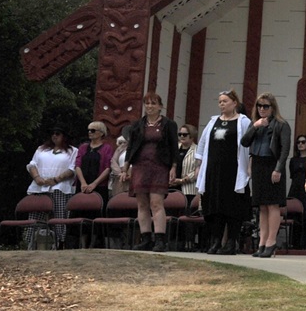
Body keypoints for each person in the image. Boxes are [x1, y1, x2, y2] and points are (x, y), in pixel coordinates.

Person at [121, 93, 181, 252]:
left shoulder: (169, 124)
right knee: (142, 203)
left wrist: (174, 167)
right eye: (147, 104)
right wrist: (125, 168)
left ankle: (160, 239)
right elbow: (131, 148)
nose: (150, 107)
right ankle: (145, 237)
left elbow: (174, 147)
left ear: (160, 106)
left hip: (159, 166)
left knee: (156, 203)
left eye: (153, 104)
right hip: (140, 166)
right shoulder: (137, 125)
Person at [194, 90, 251, 254]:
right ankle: (216, 241)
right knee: (215, 207)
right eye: (220, 102)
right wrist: (198, 166)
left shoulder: (243, 122)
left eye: (225, 101)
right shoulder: (213, 122)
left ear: (234, 103)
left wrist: (249, 167)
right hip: (213, 171)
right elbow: (203, 144)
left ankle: (232, 242)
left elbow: (249, 144)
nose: (222, 104)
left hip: (233, 171)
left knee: (232, 207)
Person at [241, 92, 291, 258]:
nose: (262, 109)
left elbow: (284, 150)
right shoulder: (255, 124)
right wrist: (255, 126)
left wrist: (278, 169)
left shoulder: (281, 125)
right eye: (259, 106)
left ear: (273, 107)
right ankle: (262, 242)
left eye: (266, 106)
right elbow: (244, 142)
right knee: (261, 205)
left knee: (272, 204)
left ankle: (271, 242)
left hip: (273, 165)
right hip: (258, 165)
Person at [26, 128, 76, 244]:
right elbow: (32, 164)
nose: (54, 136)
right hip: (39, 187)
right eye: (52, 133)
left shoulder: (72, 151)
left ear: (64, 136)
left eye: (58, 134)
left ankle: (60, 242)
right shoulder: (42, 149)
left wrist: (56, 179)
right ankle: (30, 243)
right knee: (35, 216)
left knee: (59, 217)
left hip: (60, 188)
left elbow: (72, 169)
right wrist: (37, 177)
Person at [74, 121, 114, 201]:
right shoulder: (83, 147)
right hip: (82, 184)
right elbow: (77, 165)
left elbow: (107, 168)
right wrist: (83, 183)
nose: (89, 132)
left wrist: (94, 184)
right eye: (88, 130)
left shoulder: (107, 148)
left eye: (93, 130)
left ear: (101, 133)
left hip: (99, 185)